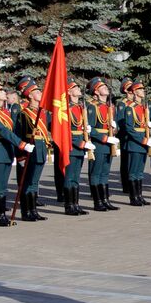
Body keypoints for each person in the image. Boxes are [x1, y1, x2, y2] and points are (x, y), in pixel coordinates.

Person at [0, 79, 30, 227]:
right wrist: (22, 144)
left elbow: (11, 131)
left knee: (2, 186)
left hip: (6, 151)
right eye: (1, 91)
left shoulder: (5, 112)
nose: (5, 93)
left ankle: (2, 215)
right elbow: (3, 131)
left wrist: (18, 151)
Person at [13, 81, 52, 222]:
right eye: (37, 92)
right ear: (30, 95)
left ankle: (33, 210)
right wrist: (20, 156)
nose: (40, 93)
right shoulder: (24, 114)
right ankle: (26, 211)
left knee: (34, 182)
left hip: (41, 148)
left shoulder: (42, 112)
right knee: (27, 182)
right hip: (30, 149)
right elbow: (18, 135)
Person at [56, 80, 92, 216]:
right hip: (71, 146)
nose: (78, 89)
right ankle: (69, 205)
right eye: (75, 87)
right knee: (70, 177)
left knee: (76, 177)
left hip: (80, 145)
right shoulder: (66, 109)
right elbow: (64, 132)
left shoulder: (80, 107)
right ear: (69, 92)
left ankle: (76, 204)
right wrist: (80, 143)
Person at [84, 79, 120, 211]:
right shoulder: (93, 107)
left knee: (105, 173)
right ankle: (97, 202)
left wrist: (115, 129)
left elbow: (116, 127)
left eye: (105, 86)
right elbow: (90, 129)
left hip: (109, 143)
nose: (105, 88)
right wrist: (105, 138)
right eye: (102, 86)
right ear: (96, 91)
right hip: (99, 144)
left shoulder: (110, 106)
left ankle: (105, 200)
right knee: (96, 173)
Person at [119, 82, 151, 206]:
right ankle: (133, 197)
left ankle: (140, 196)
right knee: (133, 171)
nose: (143, 91)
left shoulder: (143, 107)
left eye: (143, 89)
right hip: (135, 143)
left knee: (140, 171)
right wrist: (143, 140)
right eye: (140, 89)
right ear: (134, 92)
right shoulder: (130, 108)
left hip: (143, 143)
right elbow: (129, 128)